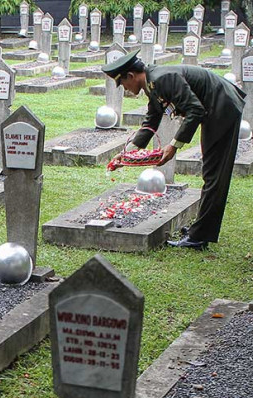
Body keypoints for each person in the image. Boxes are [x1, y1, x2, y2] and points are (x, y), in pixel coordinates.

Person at [104, 52, 245, 250]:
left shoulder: (162, 78)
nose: (125, 89)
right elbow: (151, 121)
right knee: (211, 174)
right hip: (213, 108)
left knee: (215, 175)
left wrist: (174, 145)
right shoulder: (152, 83)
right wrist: (127, 153)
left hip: (222, 107)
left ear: (130, 76)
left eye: (123, 84)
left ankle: (199, 237)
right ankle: (200, 230)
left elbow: (196, 110)